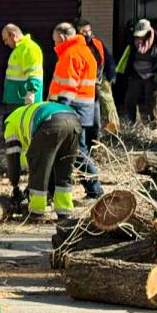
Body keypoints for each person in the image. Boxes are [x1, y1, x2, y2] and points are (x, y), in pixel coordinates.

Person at [48, 22, 103, 198]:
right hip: (84, 110)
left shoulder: (70, 55)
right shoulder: (85, 51)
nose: (55, 44)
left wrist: (58, 110)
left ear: (63, 37)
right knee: (74, 152)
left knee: (78, 154)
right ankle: (50, 189)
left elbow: (67, 87)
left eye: (55, 40)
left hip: (71, 111)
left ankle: (95, 189)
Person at [4, 100, 82, 220]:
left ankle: (36, 212)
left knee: (39, 167)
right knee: (64, 170)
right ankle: (64, 211)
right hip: (74, 121)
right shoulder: (22, 113)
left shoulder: (10, 124)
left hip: (51, 122)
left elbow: (13, 161)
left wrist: (15, 186)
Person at [115, 19, 157, 130]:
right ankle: (133, 123)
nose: (139, 38)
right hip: (136, 74)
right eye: (138, 36)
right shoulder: (132, 43)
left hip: (152, 76)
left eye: (142, 36)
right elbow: (126, 57)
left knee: (151, 101)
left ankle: (154, 125)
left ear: (149, 33)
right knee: (129, 100)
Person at [78, 19, 118, 133]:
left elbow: (109, 59)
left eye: (88, 31)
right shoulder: (77, 46)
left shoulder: (98, 43)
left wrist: (112, 75)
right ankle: (92, 131)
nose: (86, 34)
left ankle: (114, 130)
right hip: (84, 81)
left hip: (99, 77)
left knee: (108, 102)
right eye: (83, 32)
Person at [1, 24, 44, 106]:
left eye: (6, 39)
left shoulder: (29, 48)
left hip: (24, 101)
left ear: (13, 35)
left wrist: (31, 93)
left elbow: (34, 73)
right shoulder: (20, 49)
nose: (5, 43)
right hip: (18, 99)